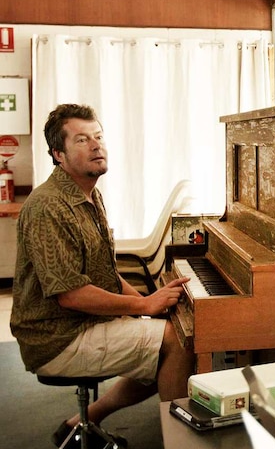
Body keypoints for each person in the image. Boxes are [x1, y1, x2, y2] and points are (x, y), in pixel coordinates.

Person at [10, 103, 195, 447]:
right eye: (81, 140)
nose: (96, 145)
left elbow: (105, 274)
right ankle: (181, 443)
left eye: (98, 136)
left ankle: (85, 418)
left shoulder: (90, 194)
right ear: (58, 155)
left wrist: (146, 303)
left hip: (79, 325)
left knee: (169, 335)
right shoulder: (48, 206)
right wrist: (149, 306)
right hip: (56, 338)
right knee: (175, 342)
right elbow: (72, 294)